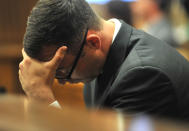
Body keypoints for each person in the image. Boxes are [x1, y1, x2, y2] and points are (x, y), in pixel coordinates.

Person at [19, 0, 189, 121]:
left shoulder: (143, 75)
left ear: (93, 42)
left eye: (62, 71)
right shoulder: (99, 58)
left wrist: (43, 98)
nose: (62, 82)